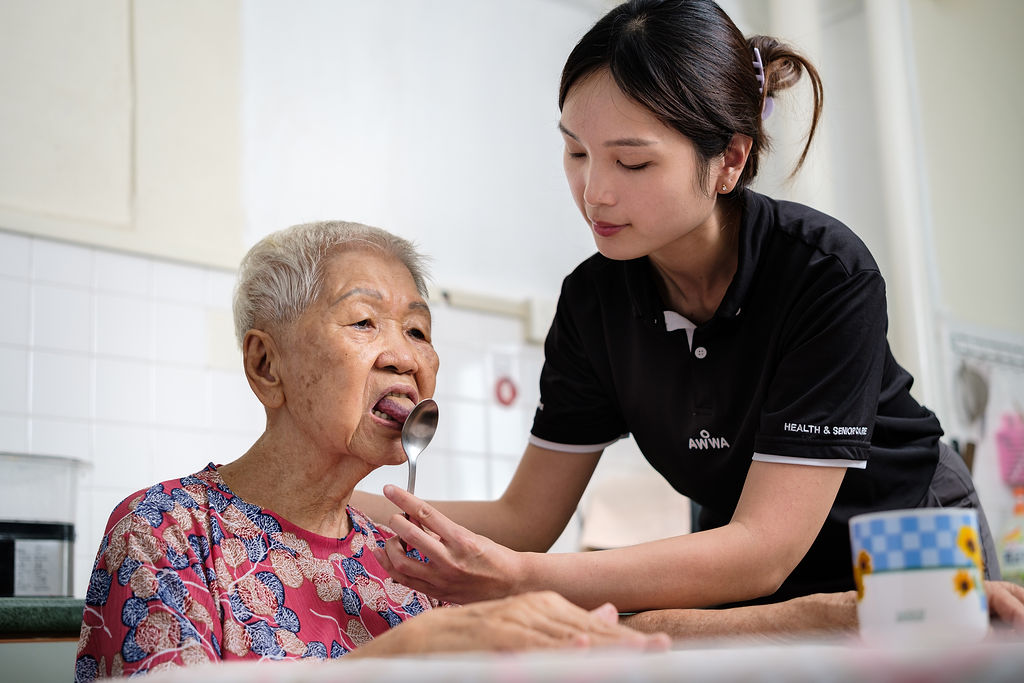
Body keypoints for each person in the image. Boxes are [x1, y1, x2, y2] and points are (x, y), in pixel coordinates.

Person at [360, 0, 1014, 618]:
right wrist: (322, 499)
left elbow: (765, 547)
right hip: (734, 558)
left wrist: (526, 576)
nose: (594, 193)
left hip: (901, 538)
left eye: (633, 162)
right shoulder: (594, 304)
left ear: (730, 159)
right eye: (576, 152)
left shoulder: (823, 272)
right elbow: (525, 518)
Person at [74, 221, 668, 681]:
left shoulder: (409, 562)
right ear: (266, 364)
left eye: (417, 331)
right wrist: (404, 653)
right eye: (363, 323)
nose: (405, 357)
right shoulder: (167, 531)